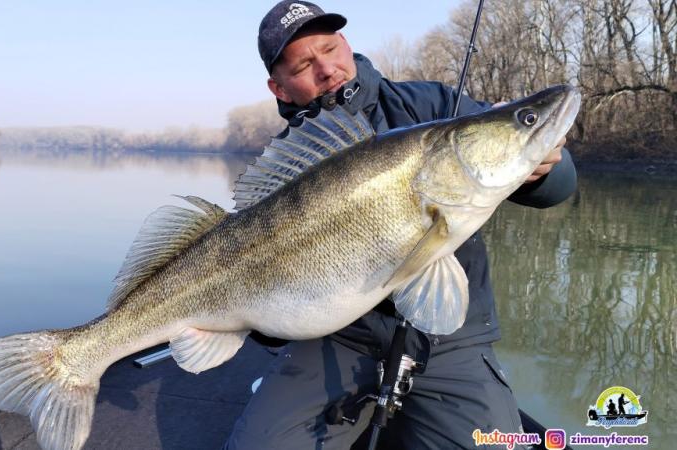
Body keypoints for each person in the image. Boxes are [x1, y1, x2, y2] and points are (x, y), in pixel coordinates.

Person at [224, 1, 577, 448]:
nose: (328, 69)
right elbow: (268, 305)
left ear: (348, 45)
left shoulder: (434, 105)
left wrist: (547, 170)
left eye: (331, 49)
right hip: (335, 341)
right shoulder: (288, 164)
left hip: (450, 340)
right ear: (280, 89)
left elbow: (557, 189)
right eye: (305, 65)